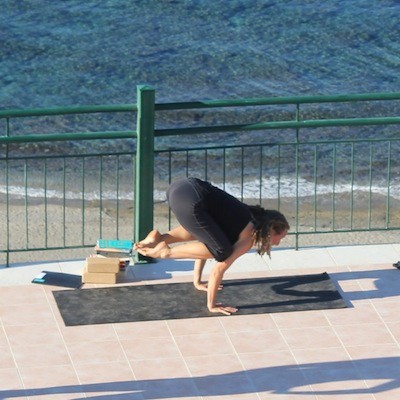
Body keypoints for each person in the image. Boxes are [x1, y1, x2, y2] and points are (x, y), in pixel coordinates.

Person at [134, 177, 289, 315]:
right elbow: (218, 270)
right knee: (222, 251)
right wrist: (212, 305)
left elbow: (204, 244)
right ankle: (165, 252)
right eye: (279, 237)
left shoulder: (242, 215)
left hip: (181, 187)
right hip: (194, 201)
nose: (277, 243)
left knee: (210, 238)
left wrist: (197, 281)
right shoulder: (248, 237)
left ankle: (159, 238)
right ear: (270, 230)